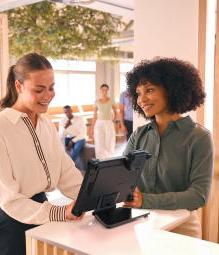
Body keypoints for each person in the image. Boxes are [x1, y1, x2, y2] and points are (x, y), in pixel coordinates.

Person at [0, 53, 84, 255]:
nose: (48, 96)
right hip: (9, 223)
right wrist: (61, 212)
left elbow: (66, 173)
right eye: (39, 90)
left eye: (51, 88)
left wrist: (93, 199)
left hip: (42, 215)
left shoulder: (47, 126)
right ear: (19, 87)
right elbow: (10, 200)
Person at [123, 57, 214, 239]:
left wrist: (145, 200)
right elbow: (123, 178)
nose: (142, 99)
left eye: (149, 90)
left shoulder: (200, 137)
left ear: (172, 90)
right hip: (141, 225)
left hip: (182, 229)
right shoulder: (139, 135)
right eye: (138, 93)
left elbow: (198, 196)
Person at [91, 84, 117, 159]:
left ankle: (110, 160)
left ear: (108, 91)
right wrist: (92, 128)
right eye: (103, 90)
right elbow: (94, 116)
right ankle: (100, 162)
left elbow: (116, 113)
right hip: (99, 124)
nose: (104, 91)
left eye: (106, 90)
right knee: (99, 144)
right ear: (100, 90)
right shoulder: (96, 102)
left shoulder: (111, 100)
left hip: (109, 123)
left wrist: (112, 122)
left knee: (109, 144)